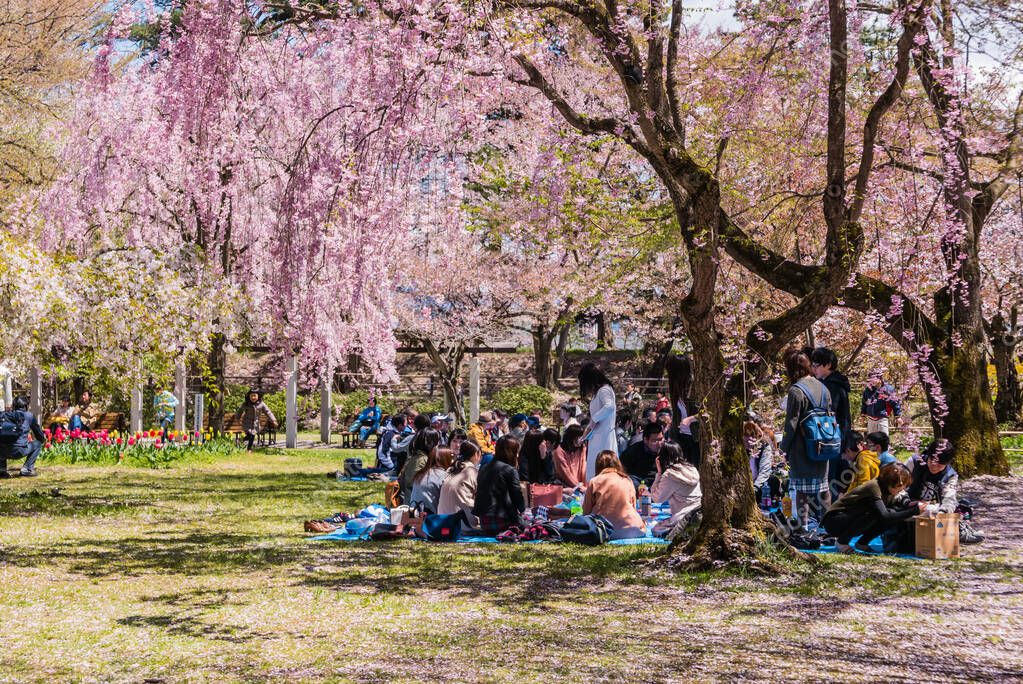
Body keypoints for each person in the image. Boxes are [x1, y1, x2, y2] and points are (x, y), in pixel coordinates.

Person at [780, 346, 831, 531]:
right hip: (823, 445)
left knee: (801, 490)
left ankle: (803, 528)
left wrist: (782, 448)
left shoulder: (796, 390)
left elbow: (791, 423)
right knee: (823, 488)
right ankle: (828, 528)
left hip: (802, 447)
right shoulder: (823, 387)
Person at [821, 462, 925, 553]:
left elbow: (901, 497)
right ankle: (842, 542)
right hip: (834, 521)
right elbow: (885, 516)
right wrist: (914, 511)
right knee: (877, 513)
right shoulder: (874, 487)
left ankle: (862, 543)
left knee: (893, 513)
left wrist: (908, 504)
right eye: (900, 487)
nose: (902, 489)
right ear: (890, 483)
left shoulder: (888, 488)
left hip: (849, 518)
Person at [810, 347, 852, 499]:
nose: (814, 369)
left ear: (827, 365)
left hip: (831, 438)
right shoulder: (834, 383)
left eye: (816, 365)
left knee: (829, 479)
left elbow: (827, 411)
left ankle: (828, 515)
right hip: (838, 437)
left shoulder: (831, 385)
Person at [582, 450, 646, 540]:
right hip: (631, 529)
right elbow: (633, 506)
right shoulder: (627, 480)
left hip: (603, 530)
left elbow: (586, 511)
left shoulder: (594, 481)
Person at [472, 435, 525, 533]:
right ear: (512, 452)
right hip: (502, 521)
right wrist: (523, 511)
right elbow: (517, 496)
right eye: (516, 452)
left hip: (484, 522)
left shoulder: (484, 468)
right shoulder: (509, 470)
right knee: (532, 522)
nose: (517, 455)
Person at [650, 442, 702, 539]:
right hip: (699, 511)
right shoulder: (692, 468)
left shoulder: (670, 475)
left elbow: (656, 498)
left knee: (655, 529)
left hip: (683, 516)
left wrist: (659, 473)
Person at [579, 363, 617, 480]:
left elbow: (609, 406)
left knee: (602, 470)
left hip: (604, 437)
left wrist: (594, 419)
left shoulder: (604, 390)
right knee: (595, 470)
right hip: (598, 436)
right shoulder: (600, 391)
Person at [666, 355, 701, 466]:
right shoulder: (676, 388)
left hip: (695, 438)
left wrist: (691, 418)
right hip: (681, 435)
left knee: (694, 470)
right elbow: (677, 414)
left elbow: (709, 411)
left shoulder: (695, 386)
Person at [438, 441, 483, 529]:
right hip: (463, 525)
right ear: (476, 454)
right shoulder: (472, 472)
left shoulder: (451, 469)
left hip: (442, 522)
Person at [0, 396, 45, 478]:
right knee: (37, 443)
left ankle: (2, 470)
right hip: (19, 451)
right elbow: (38, 434)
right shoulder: (29, 416)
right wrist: (42, 440)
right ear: (26, 406)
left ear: (13, 405)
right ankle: (27, 469)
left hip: (2, 451)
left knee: (3, 442)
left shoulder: (4, 415)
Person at [398, 428, 441, 504]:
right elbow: (411, 483)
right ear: (430, 442)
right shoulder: (421, 460)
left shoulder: (421, 456)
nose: (438, 444)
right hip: (414, 505)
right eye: (437, 441)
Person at [620, 422, 665, 489]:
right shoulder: (633, 451)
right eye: (654, 441)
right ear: (645, 440)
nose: (659, 444)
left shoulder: (667, 450)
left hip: (659, 484)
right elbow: (621, 469)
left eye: (661, 439)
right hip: (639, 484)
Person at [409, 447, 452, 515]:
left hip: (413, 517)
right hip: (431, 520)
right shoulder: (444, 477)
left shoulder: (420, 473)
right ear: (446, 459)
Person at [841, 430, 879, 495]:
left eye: (847, 452)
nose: (847, 456)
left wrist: (846, 498)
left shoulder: (864, 460)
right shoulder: (861, 457)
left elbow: (863, 485)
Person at [745, 417, 777, 493]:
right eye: (746, 435)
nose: (748, 438)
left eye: (751, 434)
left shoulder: (764, 446)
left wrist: (755, 489)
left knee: (774, 481)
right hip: (745, 485)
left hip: (758, 486)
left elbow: (764, 472)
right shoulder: (738, 447)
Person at [552, 424, 587, 489]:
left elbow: (583, 467)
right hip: (566, 488)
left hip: (580, 486)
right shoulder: (559, 451)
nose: (581, 440)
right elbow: (565, 472)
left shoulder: (582, 448)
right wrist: (579, 487)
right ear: (571, 437)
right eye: (579, 437)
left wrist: (585, 485)